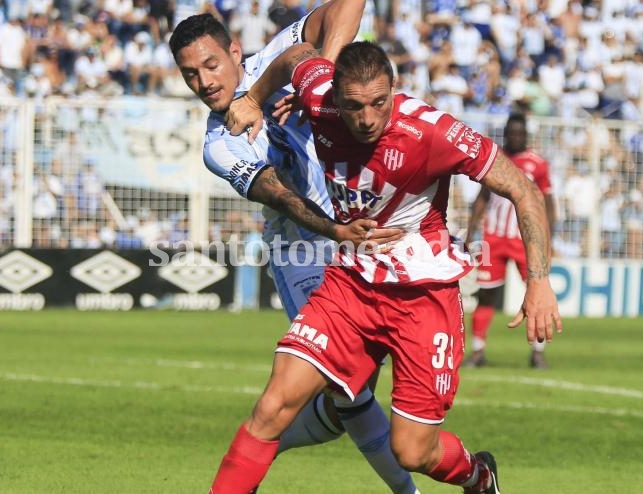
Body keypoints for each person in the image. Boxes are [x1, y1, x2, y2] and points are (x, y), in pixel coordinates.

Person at [216, 41, 562, 493]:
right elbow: (297, 53)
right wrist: (253, 98)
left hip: (423, 295)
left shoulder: (433, 131)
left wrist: (538, 282)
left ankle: (478, 476)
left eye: (379, 102)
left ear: (393, 89)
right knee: (272, 408)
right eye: (354, 105)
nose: (366, 117)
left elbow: (524, 190)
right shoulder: (318, 93)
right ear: (334, 95)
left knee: (412, 451)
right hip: (351, 285)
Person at [169, 7, 419, 494]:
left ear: (236, 52)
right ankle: (405, 490)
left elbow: (325, 28)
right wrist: (336, 230)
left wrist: (317, 91)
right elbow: (279, 194)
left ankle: (270, 440)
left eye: (212, 65)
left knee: (352, 383)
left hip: (364, 228)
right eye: (190, 74)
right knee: (350, 388)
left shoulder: (268, 60)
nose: (204, 81)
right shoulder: (218, 145)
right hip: (303, 251)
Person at [465, 112, 556, 369]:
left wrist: (549, 237)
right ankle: (478, 350)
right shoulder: (496, 159)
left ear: (526, 134)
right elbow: (482, 197)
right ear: (505, 133)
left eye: (519, 133)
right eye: (511, 133)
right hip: (493, 239)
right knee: (486, 295)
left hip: (524, 240)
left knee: (538, 291)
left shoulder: (537, 164)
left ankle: (538, 351)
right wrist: (472, 231)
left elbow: (548, 202)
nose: (515, 137)